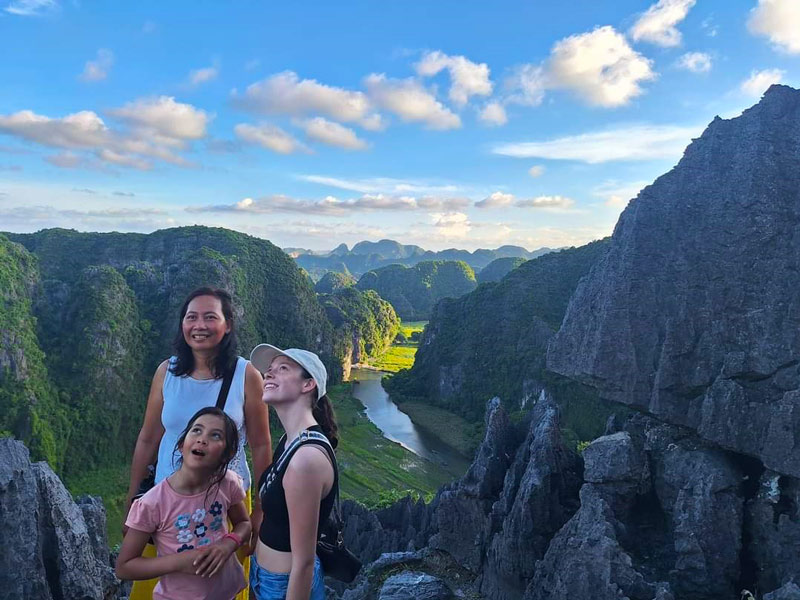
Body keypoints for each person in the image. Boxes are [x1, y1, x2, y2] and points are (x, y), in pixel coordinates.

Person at [124, 287, 271, 599]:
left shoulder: (246, 375)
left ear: (227, 325)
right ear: (182, 324)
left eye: (210, 317)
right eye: (191, 317)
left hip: (225, 501)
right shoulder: (167, 372)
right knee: (156, 585)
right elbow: (148, 437)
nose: (199, 325)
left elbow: (261, 445)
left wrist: (261, 509)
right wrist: (132, 499)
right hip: (166, 499)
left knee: (218, 584)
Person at [117, 407, 252, 600]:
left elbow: (244, 524)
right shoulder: (153, 503)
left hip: (225, 593)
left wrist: (228, 544)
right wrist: (180, 562)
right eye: (196, 430)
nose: (202, 439)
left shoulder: (227, 483)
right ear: (182, 444)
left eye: (215, 435)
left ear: (228, 454)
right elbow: (124, 567)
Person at [248, 344, 339, 600]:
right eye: (269, 369)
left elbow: (304, 562)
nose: (269, 373)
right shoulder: (290, 441)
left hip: (284, 585)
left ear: (308, 384)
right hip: (265, 578)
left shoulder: (305, 460)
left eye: (283, 368)